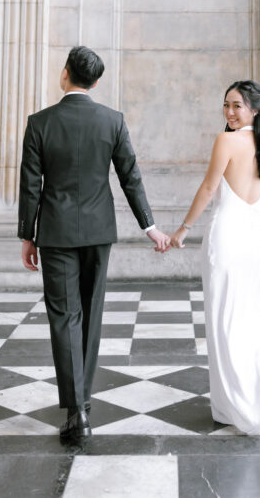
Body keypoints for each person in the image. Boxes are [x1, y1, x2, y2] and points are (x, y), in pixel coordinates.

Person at [18, 45, 170, 443]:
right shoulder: (113, 121)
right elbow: (130, 177)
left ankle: (76, 410)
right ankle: (81, 403)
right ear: (96, 81)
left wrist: (27, 236)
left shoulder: (39, 123)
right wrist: (149, 226)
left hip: (54, 233)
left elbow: (30, 186)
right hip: (99, 232)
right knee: (91, 314)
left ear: (64, 73)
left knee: (64, 317)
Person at [169, 79, 260, 433]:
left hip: (227, 234)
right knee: (250, 315)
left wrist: (182, 229)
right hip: (253, 235)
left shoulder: (227, 140)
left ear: (254, 109)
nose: (229, 112)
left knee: (224, 319)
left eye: (236, 105)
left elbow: (209, 187)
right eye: (226, 105)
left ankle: (242, 403)